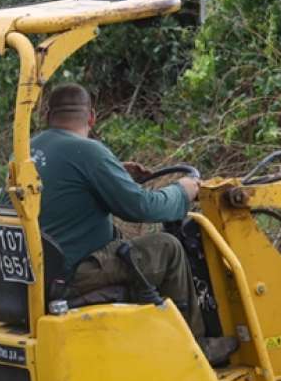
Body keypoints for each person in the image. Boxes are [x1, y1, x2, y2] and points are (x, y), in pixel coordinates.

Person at [32, 83, 237, 364]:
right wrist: (182, 191)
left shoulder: (28, 150)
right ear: (91, 116)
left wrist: (116, 174)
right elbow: (140, 208)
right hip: (75, 273)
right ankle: (196, 347)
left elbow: (66, 190)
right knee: (168, 247)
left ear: (47, 115)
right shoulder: (88, 152)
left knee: (133, 246)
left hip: (39, 272)